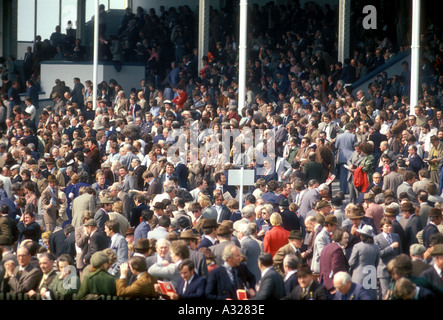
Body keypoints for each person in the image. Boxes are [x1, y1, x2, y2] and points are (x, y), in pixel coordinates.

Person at [348, 224, 380, 299]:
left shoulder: (357, 246)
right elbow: (377, 262)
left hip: (359, 275)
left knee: (357, 296)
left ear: (362, 235)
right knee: (370, 296)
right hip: (371, 274)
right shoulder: (376, 247)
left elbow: (351, 262)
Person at [374, 217, 402, 299]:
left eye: (390, 225)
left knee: (396, 291)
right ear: (382, 227)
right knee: (385, 293)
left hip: (395, 269)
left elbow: (400, 252)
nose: (389, 228)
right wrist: (391, 247)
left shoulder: (396, 236)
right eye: (386, 226)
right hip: (383, 269)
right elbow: (379, 253)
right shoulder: (377, 238)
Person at [319, 227, 349, 293]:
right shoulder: (337, 250)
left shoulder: (326, 247)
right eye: (345, 238)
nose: (347, 240)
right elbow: (337, 268)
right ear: (339, 237)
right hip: (333, 285)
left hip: (323, 281)